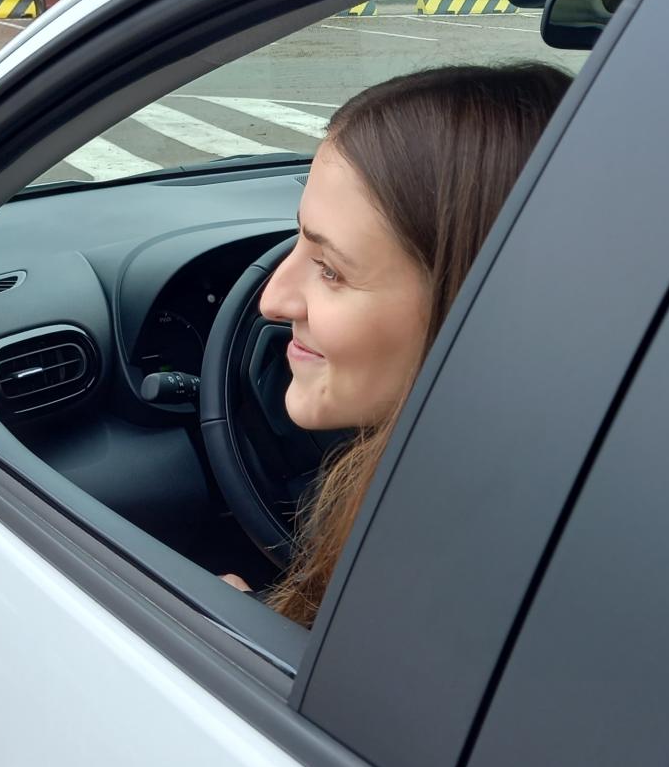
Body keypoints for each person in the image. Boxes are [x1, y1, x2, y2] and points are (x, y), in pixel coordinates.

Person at [237, 62, 572, 624]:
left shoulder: (442, 580)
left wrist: (242, 631)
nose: (273, 300)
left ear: (476, 303)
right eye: (297, 239)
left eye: (330, 270)